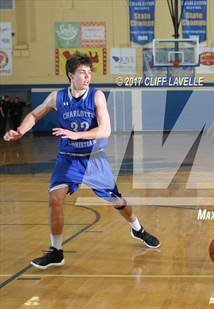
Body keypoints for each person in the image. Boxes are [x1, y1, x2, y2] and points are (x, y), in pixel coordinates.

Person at [3, 53, 160, 269]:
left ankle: (138, 229)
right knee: (55, 199)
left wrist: (77, 135)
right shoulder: (56, 97)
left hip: (93, 160)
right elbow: (35, 115)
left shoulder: (96, 96)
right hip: (67, 159)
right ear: (70, 75)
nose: (87, 77)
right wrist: (20, 130)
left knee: (118, 202)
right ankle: (56, 251)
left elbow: (105, 130)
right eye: (82, 73)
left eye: (89, 73)